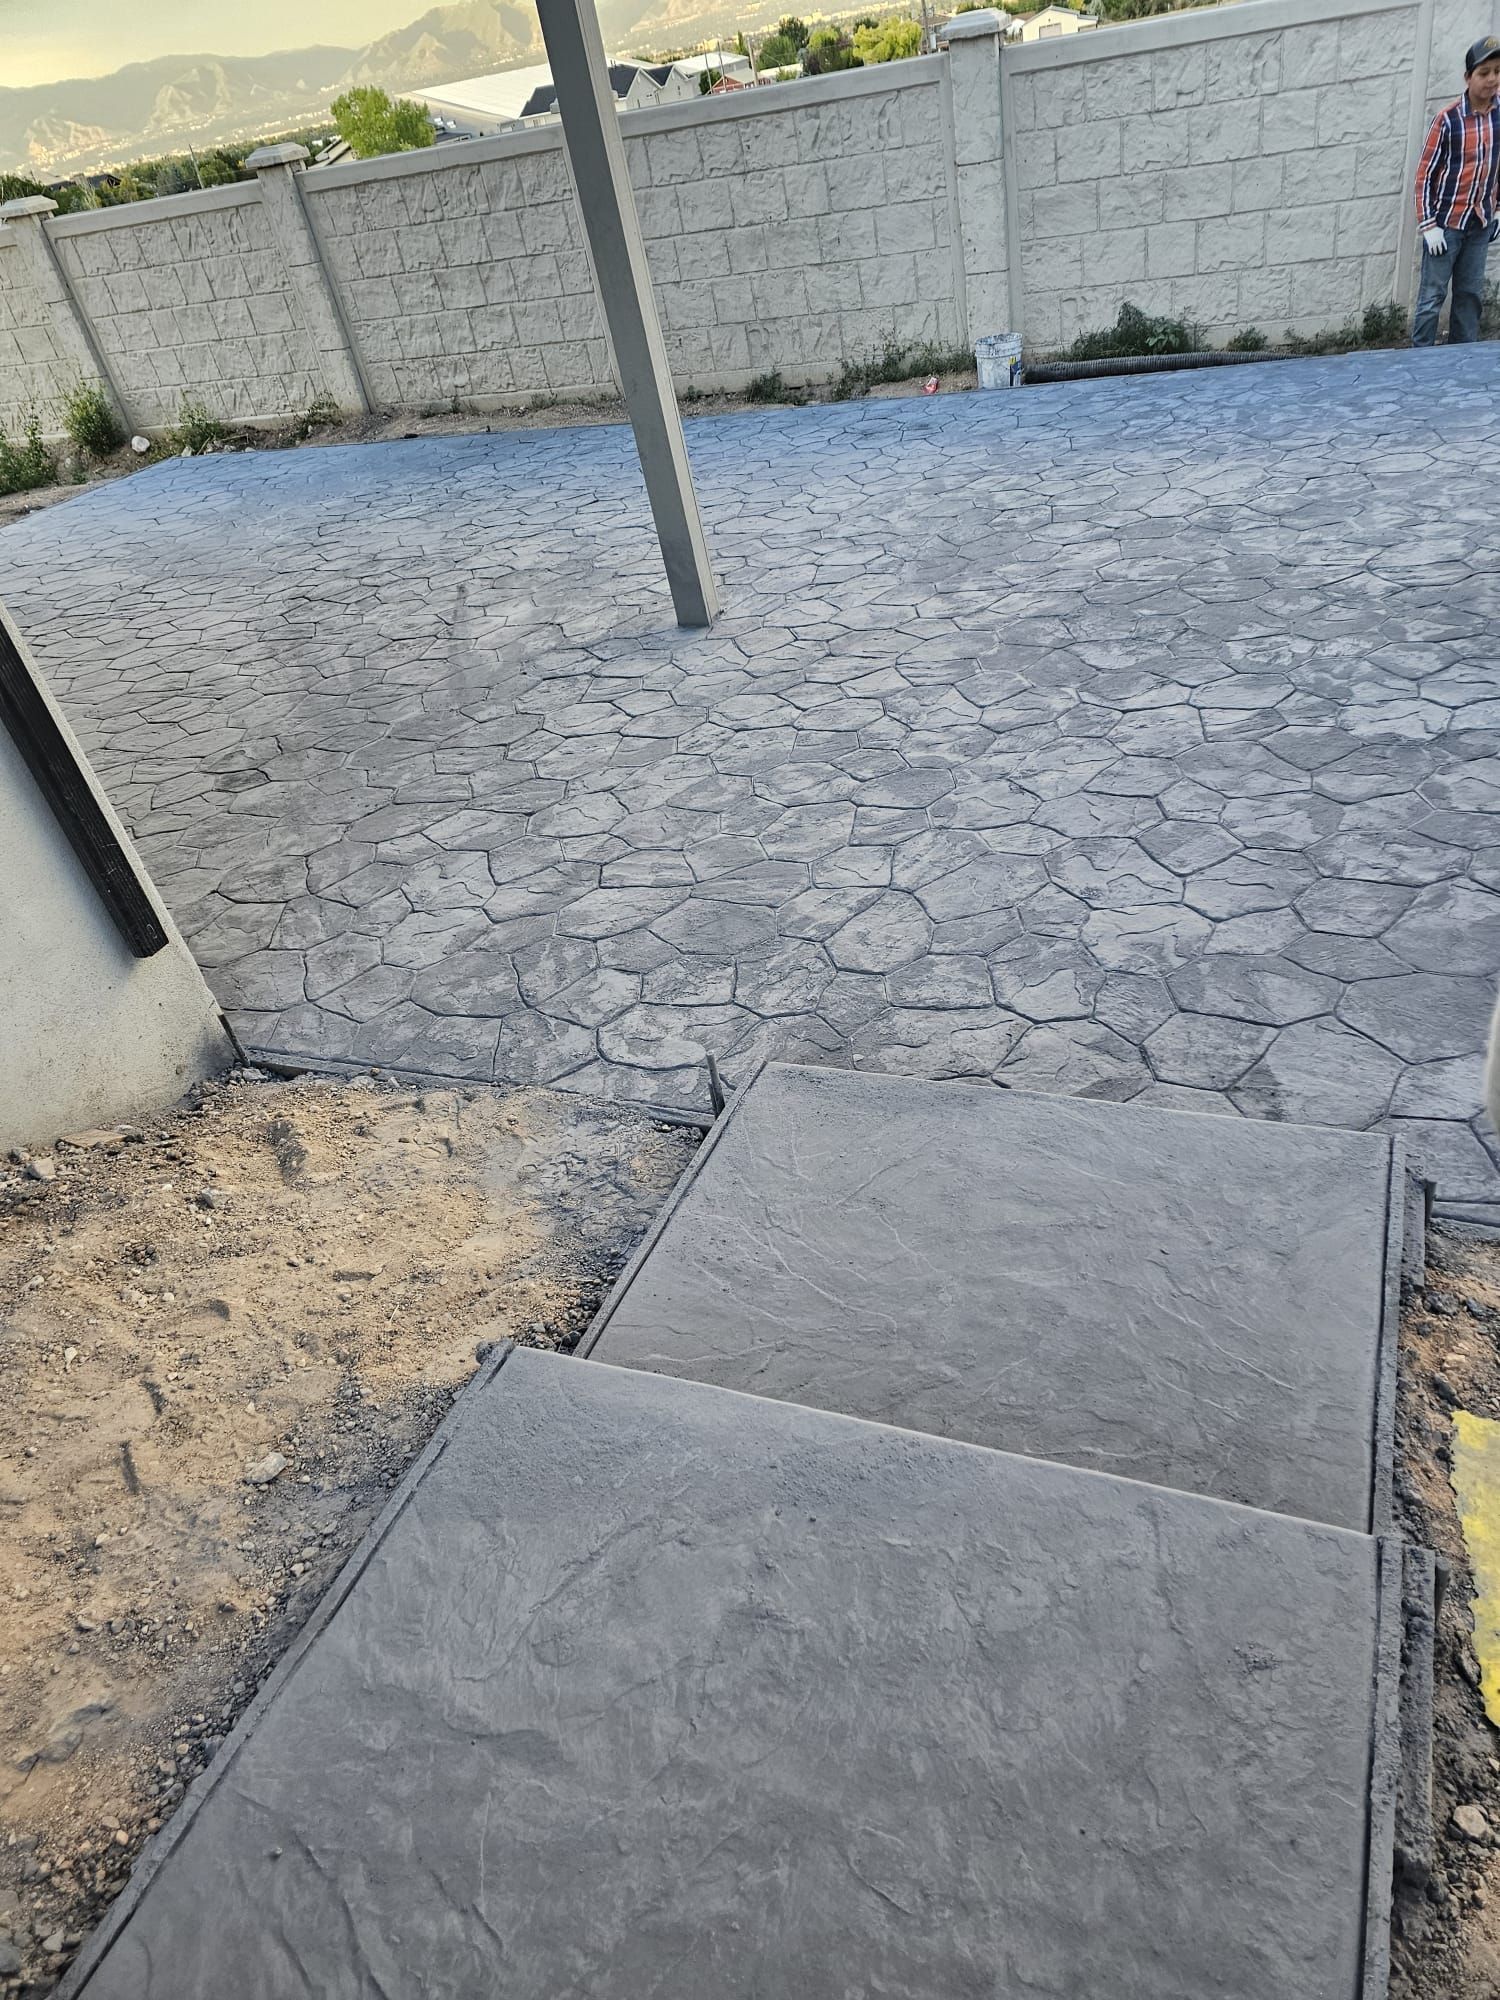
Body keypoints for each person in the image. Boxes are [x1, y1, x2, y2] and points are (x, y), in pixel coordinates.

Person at [1413, 36, 1500, 346]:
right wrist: (1428, 226)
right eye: (1484, 72)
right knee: (1432, 296)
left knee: (1469, 296)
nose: (1492, 79)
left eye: (1497, 71)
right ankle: (1420, 357)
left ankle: (1461, 361)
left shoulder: (1499, 115)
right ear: (1468, 78)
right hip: (1446, 225)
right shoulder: (1447, 120)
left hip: (1479, 224)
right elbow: (1424, 176)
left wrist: (1497, 209)